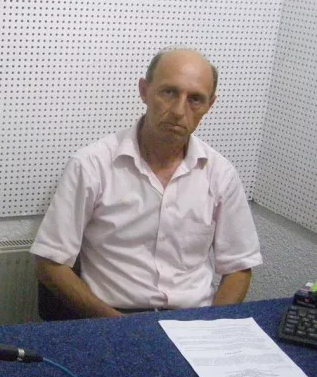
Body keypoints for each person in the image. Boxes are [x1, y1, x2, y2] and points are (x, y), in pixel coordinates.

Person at [31, 48, 262, 318]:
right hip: (111, 316)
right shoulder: (92, 165)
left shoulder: (221, 173)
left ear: (209, 105)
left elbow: (239, 267)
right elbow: (50, 262)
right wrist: (117, 324)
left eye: (195, 99)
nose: (179, 111)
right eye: (169, 92)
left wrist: (211, 327)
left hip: (192, 319)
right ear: (144, 91)